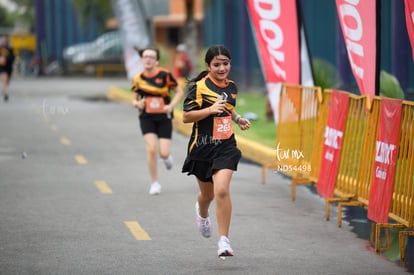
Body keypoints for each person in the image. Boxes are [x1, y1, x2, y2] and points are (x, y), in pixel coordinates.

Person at [181, 45, 251, 257]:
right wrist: (210, 110)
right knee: (207, 194)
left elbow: (228, 107)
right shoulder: (199, 88)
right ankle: (202, 215)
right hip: (202, 147)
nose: (222, 68)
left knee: (221, 190)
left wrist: (238, 119)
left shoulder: (232, 87)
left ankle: (224, 241)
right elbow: (186, 117)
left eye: (226, 64)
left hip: (225, 146)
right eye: (217, 64)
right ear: (209, 66)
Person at [131, 46, 184, 195]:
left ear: (157, 60)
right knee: (151, 149)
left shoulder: (165, 75)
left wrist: (171, 106)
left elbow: (179, 91)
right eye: (145, 57)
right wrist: (137, 104)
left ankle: (166, 158)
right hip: (146, 116)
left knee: (164, 153)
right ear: (142, 60)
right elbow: (134, 100)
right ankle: (154, 183)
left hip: (163, 117)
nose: (148, 59)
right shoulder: (138, 78)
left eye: (151, 57)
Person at [0, 35, 15, 102]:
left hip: (8, 67)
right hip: (2, 67)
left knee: (7, 81)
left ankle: (4, 89)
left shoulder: (9, 49)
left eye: (4, 41)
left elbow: (12, 57)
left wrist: (6, 59)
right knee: (4, 80)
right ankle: (6, 94)